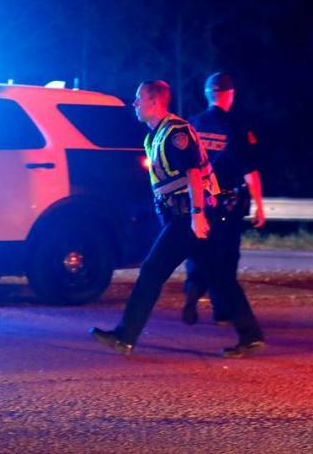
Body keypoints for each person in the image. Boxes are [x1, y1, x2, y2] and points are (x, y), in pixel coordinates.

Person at [90, 79, 253, 357]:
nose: (135, 104)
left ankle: (125, 335)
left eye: (139, 99)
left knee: (152, 271)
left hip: (190, 215)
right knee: (221, 277)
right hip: (186, 215)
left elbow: (194, 174)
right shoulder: (154, 135)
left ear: (154, 102)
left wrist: (198, 216)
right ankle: (252, 336)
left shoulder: (176, 132)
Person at [185, 71, 265, 357]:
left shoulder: (191, 125)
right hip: (228, 204)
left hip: (198, 201)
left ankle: (196, 289)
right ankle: (238, 323)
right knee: (226, 260)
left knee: (201, 251)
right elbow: (250, 171)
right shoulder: (236, 126)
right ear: (230, 94)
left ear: (207, 94)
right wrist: (258, 204)